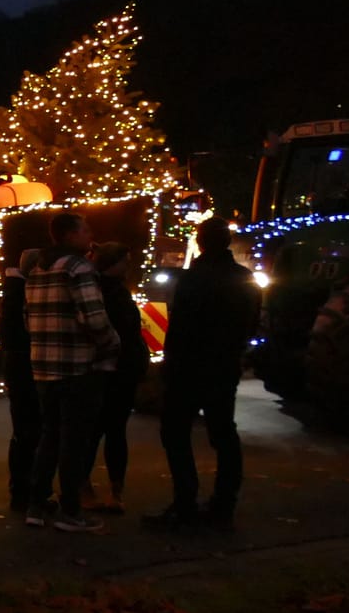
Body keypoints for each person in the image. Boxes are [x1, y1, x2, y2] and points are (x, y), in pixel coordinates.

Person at [144, 220, 260, 531]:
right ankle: (223, 505)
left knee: (176, 434)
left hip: (189, 368)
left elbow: (181, 326)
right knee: (224, 435)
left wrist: (168, 365)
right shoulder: (244, 278)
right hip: (224, 366)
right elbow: (253, 322)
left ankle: (185, 503)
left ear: (201, 241)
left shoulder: (193, 279)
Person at [24, 212, 121, 532]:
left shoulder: (37, 269)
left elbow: (28, 319)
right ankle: (70, 511)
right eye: (86, 230)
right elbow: (93, 317)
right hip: (78, 367)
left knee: (49, 436)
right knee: (74, 441)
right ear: (69, 235)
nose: (90, 236)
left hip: (43, 367)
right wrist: (112, 344)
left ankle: (36, 506)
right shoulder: (79, 268)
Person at [84, 242, 149, 514]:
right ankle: (110, 489)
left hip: (112, 369)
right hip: (114, 368)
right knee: (108, 430)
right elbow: (119, 331)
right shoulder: (110, 293)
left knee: (98, 431)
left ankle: (92, 487)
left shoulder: (102, 289)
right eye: (125, 260)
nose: (129, 266)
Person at [0, 248, 44, 511]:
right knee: (30, 431)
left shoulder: (13, 290)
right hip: (25, 367)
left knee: (23, 431)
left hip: (16, 367)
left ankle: (22, 489)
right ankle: (24, 491)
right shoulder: (22, 294)